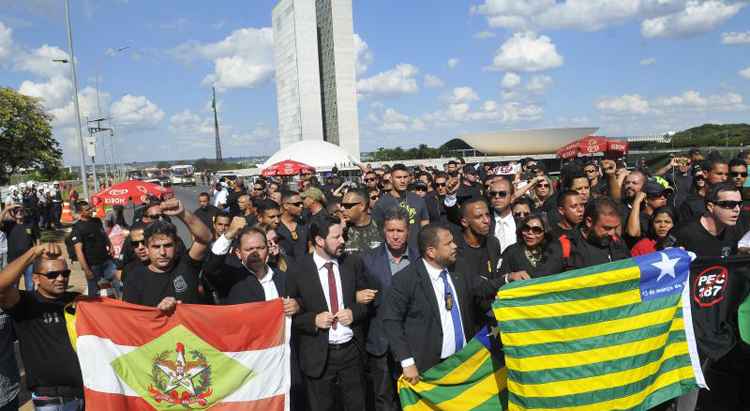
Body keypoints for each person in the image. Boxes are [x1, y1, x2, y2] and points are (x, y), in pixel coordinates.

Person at [382, 224, 506, 383]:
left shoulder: (460, 267)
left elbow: (482, 288)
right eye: (448, 244)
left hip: (463, 360)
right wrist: (407, 362)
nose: (455, 246)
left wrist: (507, 279)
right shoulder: (405, 280)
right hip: (427, 367)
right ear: (431, 251)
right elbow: (392, 322)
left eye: (453, 241)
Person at [286, 215, 368, 411]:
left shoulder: (352, 263)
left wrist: (354, 313)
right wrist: (313, 320)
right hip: (318, 356)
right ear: (320, 241)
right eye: (336, 237)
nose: (343, 241)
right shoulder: (298, 269)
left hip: (351, 352)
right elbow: (290, 314)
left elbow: (367, 301)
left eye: (343, 235)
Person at [0, 243, 83, 410]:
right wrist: (33, 252)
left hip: (86, 393)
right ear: (36, 279)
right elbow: (2, 287)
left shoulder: (78, 300)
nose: (60, 278)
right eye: (52, 274)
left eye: (65, 273)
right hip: (52, 401)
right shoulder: (25, 304)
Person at [359, 208, 415, 411]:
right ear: (383, 231)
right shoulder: (368, 260)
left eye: (400, 230)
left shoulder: (420, 259)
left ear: (408, 231)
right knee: (383, 396)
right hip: (380, 340)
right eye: (391, 230)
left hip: (411, 339)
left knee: (413, 392)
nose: (395, 235)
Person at [122, 198, 211, 309]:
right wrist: (158, 312)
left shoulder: (187, 266)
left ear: (176, 245)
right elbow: (132, 318)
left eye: (168, 245)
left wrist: (182, 213)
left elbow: (205, 238)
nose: (163, 252)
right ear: (147, 248)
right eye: (156, 247)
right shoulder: (134, 278)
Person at [371, 164, 429, 257]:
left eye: (405, 177)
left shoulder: (418, 200)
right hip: (392, 254)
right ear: (391, 179)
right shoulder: (381, 203)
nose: (402, 181)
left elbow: (425, 226)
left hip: (417, 252)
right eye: (398, 177)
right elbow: (376, 231)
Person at [675, 182, 744, 257]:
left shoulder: (734, 230)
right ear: (710, 207)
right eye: (730, 204)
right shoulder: (683, 232)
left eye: (739, 204)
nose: (737, 209)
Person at [70, 201, 120, 297]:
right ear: (81, 212)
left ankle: (122, 303)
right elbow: (78, 251)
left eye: (90, 208)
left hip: (106, 261)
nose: (91, 210)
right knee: (93, 291)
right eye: (87, 209)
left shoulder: (97, 221)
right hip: (92, 265)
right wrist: (86, 270)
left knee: (117, 282)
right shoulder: (77, 228)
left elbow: (103, 234)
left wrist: (110, 245)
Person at [568, 197, 631, 269]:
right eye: (607, 228)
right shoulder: (568, 248)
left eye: (615, 228)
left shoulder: (617, 242)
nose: (612, 233)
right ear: (589, 222)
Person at [498, 213, 565, 278]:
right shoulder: (512, 251)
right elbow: (502, 279)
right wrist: (511, 276)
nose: (530, 232)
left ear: (545, 232)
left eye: (536, 230)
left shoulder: (555, 249)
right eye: (526, 228)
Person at [1, 205, 38, 291]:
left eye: (21, 210)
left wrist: (37, 254)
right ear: (13, 213)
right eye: (16, 211)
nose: (19, 212)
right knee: (13, 286)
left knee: (30, 286)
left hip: (29, 260)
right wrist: (7, 209)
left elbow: (37, 239)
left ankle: (30, 303)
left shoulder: (30, 224)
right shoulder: (9, 225)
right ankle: (15, 304)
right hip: (13, 261)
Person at [341, 189, 382, 255]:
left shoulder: (381, 227)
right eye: (342, 205)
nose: (342, 209)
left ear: (362, 206)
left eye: (347, 206)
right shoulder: (340, 230)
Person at [278, 191, 309, 259]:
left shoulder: (304, 223)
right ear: (286, 206)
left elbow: (310, 245)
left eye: (302, 203)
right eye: (297, 204)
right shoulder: (276, 225)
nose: (301, 206)